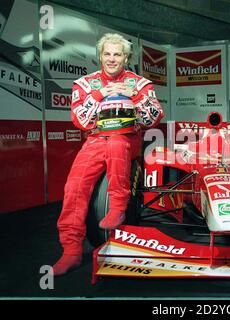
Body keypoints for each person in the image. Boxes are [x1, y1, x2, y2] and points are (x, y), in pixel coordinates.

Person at [52, 33, 164, 275]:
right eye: (107, 54)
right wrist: (100, 93)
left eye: (117, 54)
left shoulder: (140, 83)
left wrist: (131, 94)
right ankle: (71, 251)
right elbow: (81, 120)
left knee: (116, 143)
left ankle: (117, 206)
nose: (111, 59)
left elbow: (154, 118)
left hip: (127, 139)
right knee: (74, 186)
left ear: (126, 57)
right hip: (95, 140)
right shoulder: (84, 83)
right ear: (100, 56)